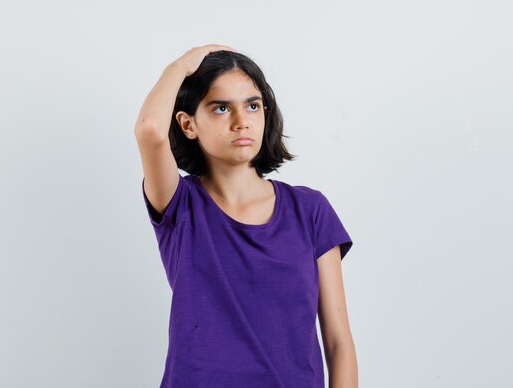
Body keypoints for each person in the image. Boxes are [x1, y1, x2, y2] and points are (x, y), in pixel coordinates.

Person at [134, 44, 358, 388]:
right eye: (221, 108)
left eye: (252, 106)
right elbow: (150, 130)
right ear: (188, 124)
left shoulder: (310, 210)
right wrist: (181, 64)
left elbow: (338, 343)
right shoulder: (181, 206)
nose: (242, 122)